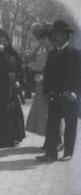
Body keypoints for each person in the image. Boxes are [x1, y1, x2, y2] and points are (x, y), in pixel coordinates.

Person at [36, 20, 81, 162]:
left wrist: (74, 93)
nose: (55, 37)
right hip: (55, 96)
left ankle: (68, 152)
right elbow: (48, 74)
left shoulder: (76, 54)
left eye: (58, 34)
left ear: (66, 35)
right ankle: (50, 154)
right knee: (52, 125)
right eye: (54, 34)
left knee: (70, 124)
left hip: (69, 96)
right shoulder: (52, 54)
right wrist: (47, 92)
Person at [25, 23, 64, 152]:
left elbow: (54, 70)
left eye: (40, 38)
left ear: (46, 38)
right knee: (45, 114)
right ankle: (50, 139)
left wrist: (41, 72)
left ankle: (58, 140)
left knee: (52, 114)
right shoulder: (44, 50)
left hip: (49, 87)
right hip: (41, 87)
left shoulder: (54, 50)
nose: (38, 40)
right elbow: (35, 63)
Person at [0, 29, 26, 148]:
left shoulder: (13, 52)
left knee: (11, 112)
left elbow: (20, 67)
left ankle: (13, 137)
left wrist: (18, 79)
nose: (2, 42)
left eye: (4, 40)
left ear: (8, 41)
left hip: (10, 87)